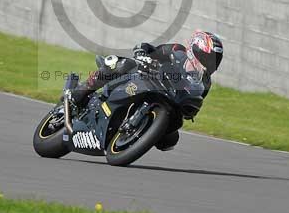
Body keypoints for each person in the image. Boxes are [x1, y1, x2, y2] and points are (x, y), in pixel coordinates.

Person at [70, 30, 224, 151]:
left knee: (170, 140)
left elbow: (194, 103)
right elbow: (148, 48)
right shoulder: (177, 52)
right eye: (209, 57)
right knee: (120, 64)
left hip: (167, 102)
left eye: (215, 60)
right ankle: (79, 93)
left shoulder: (204, 82)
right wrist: (143, 54)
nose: (210, 63)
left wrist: (189, 111)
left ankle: (136, 133)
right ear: (196, 49)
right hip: (145, 80)